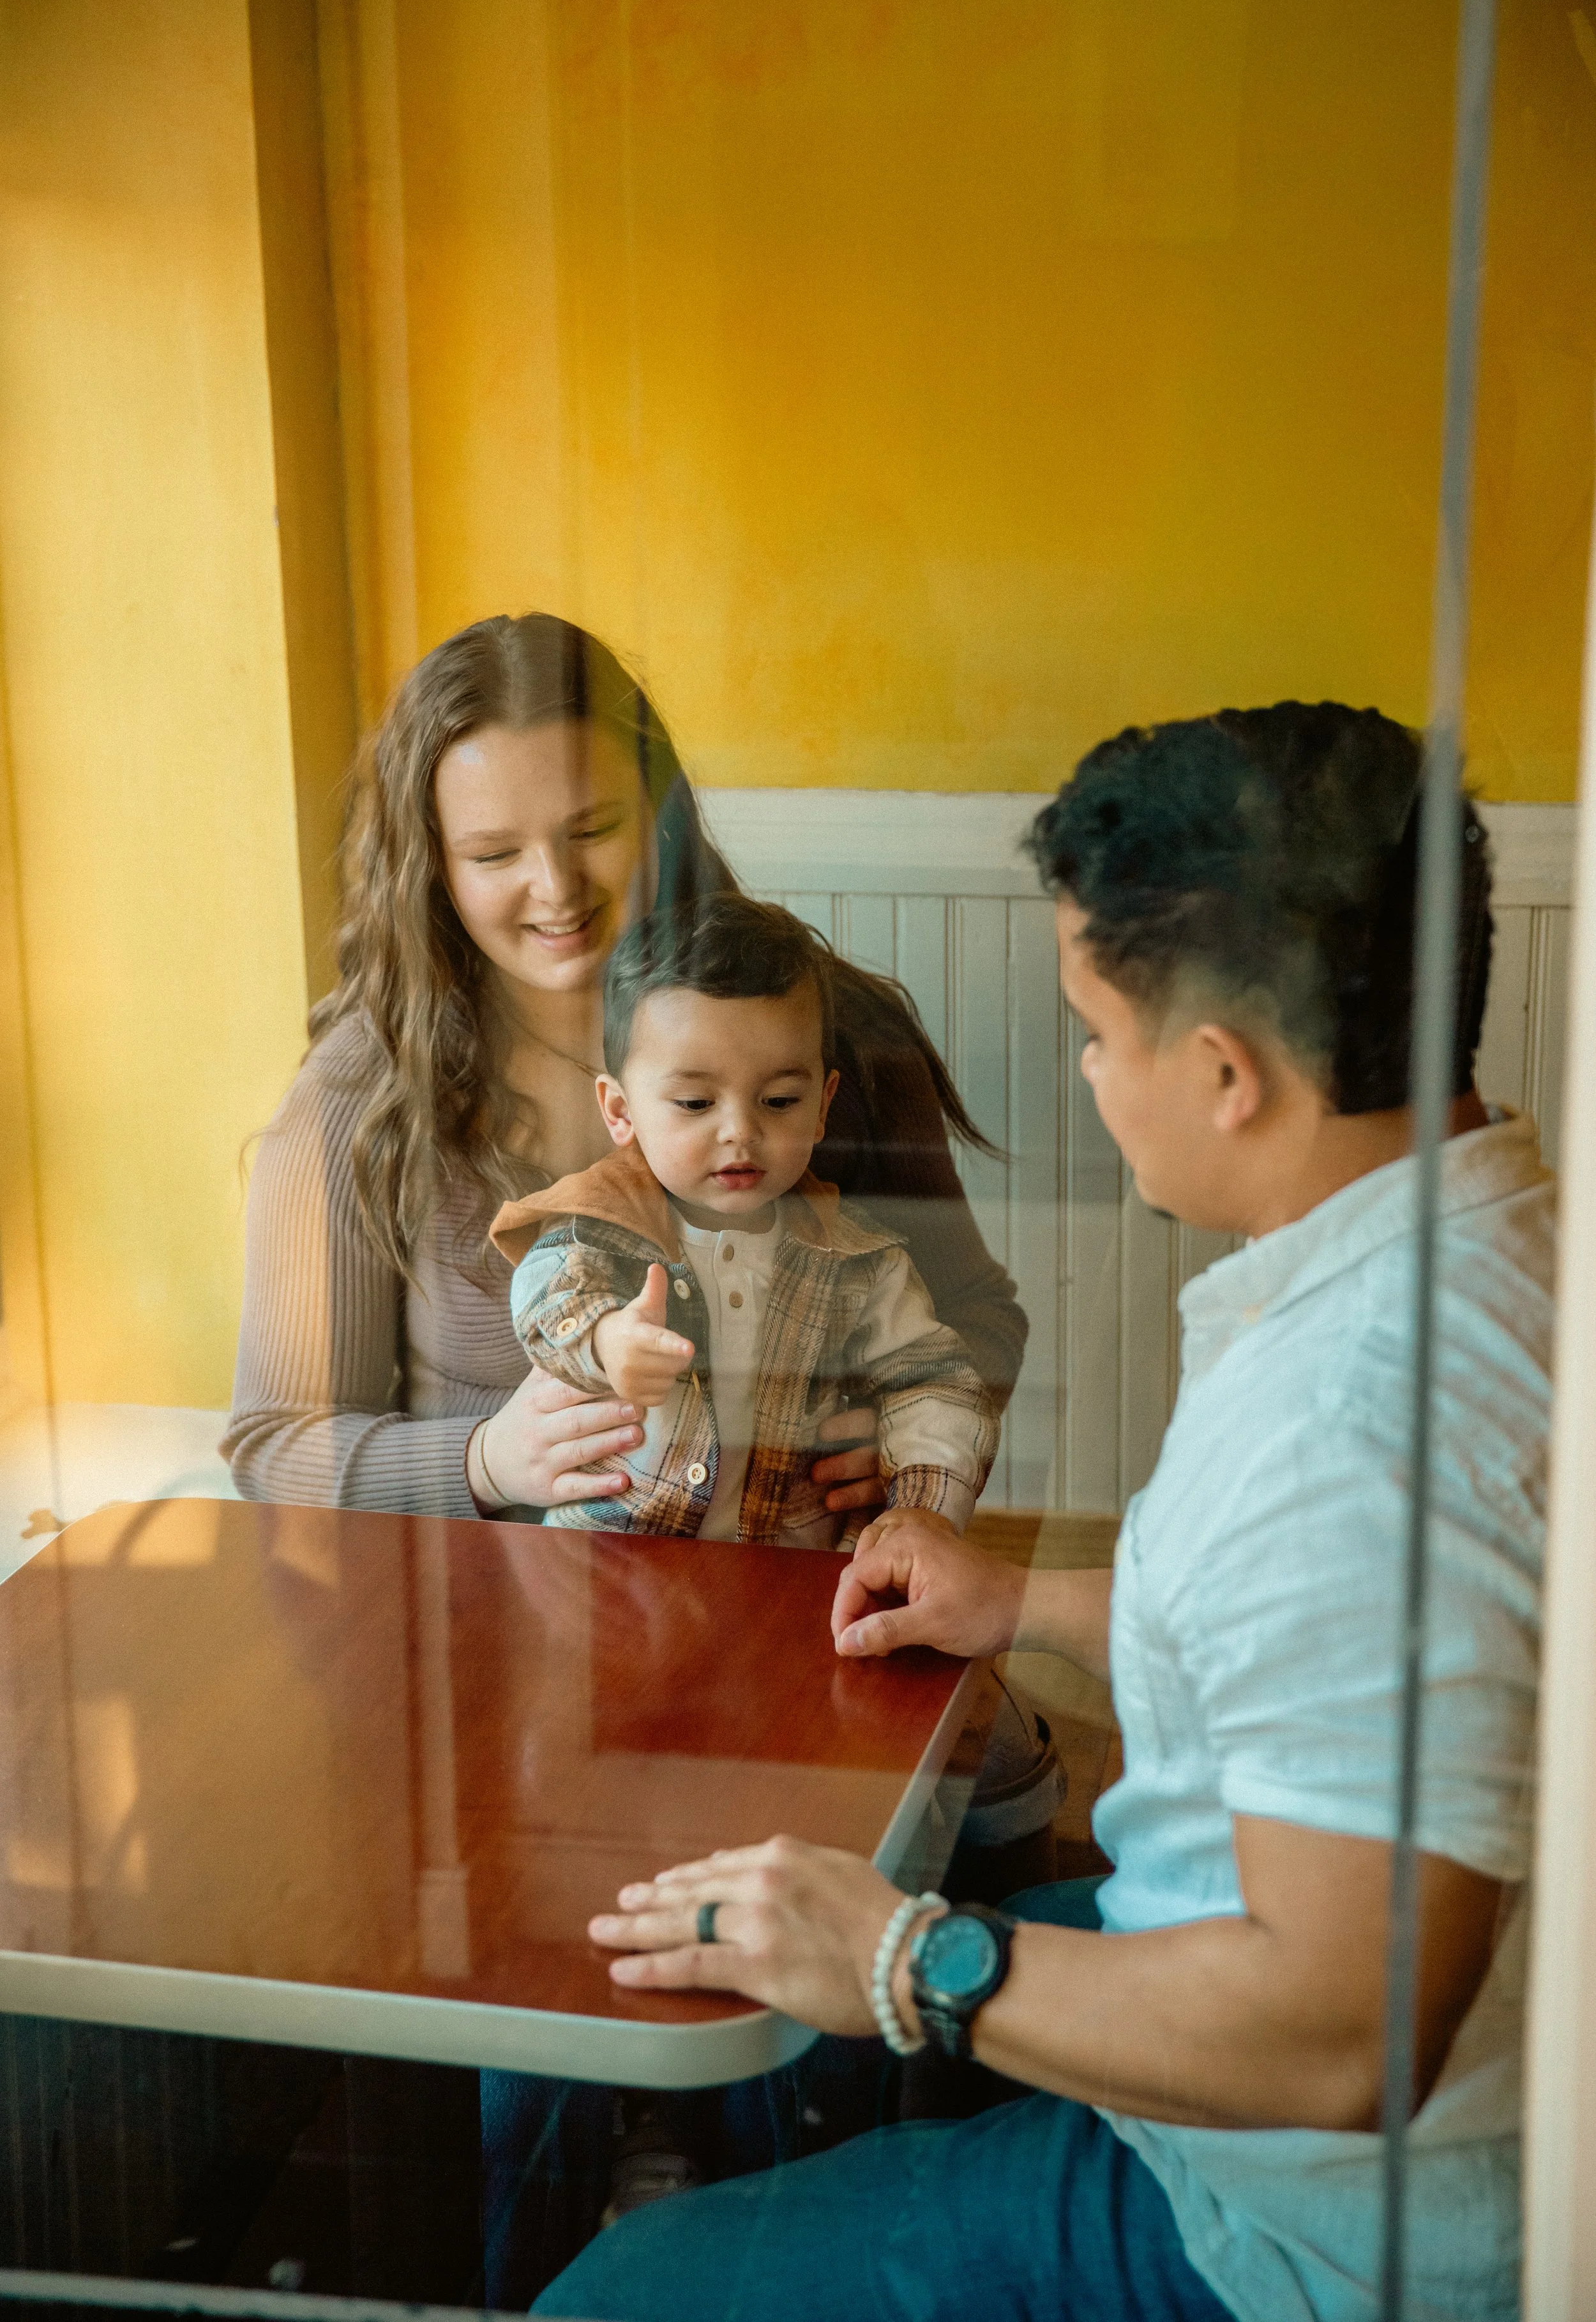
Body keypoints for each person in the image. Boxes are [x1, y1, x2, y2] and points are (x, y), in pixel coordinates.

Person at [538, 702, 1546, 2322]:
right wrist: (1032, 1603)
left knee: (614, 2299)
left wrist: (915, 1958)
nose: (1084, 1073)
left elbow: (1344, 2030)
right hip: (1359, 2029)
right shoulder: (1496, 1229)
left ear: (1222, 1072)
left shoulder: (1354, 1411)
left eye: (1093, 1028)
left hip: (1299, 2228)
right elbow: (1361, 1643)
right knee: (802, 2024)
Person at [222, 611, 1026, 1526]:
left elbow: (981, 1321)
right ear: (432, 869)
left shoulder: (837, 1034)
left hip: (786, 1602)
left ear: (661, 814)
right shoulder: (365, 1088)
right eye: (495, 854)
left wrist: (898, 1433)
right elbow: (274, 1445)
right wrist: (488, 1457)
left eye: (593, 828)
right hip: (492, 1626)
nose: (557, 886)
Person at [491, 893, 997, 1543]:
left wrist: (921, 1508)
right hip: (613, 1567)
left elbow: (935, 1381)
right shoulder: (601, 1224)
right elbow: (546, 1293)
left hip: (791, 1569)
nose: (740, 1132)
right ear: (619, 1110)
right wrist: (606, 1341)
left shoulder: (859, 1260)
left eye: (780, 1100)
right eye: (696, 1102)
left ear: (822, 1104)